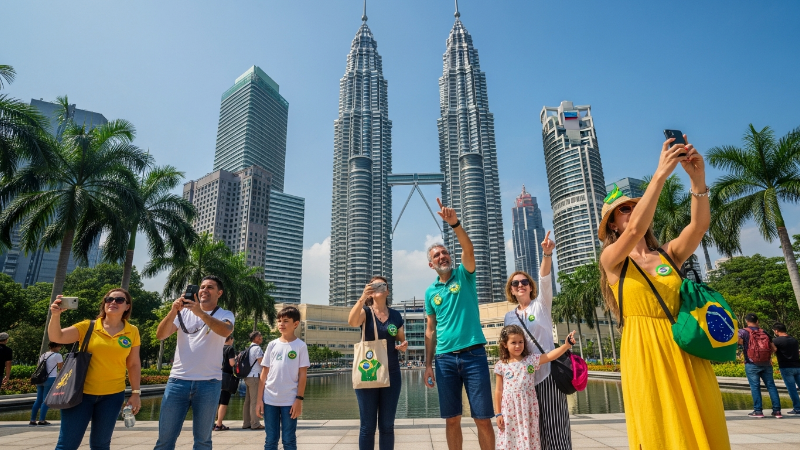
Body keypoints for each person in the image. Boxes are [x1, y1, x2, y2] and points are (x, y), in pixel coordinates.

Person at [597, 135, 732, 449]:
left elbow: (698, 227)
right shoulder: (612, 261)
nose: (632, 212)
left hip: (684, 346)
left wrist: (697, 180)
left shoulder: (668, 255)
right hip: (645, 351)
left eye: (634, 206)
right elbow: (634, 232)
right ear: (613, 225)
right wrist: (659, 174)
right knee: (659, 428)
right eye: (625, 210)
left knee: (702, 424)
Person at [424, 198, 494, 450]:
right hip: (444, 360)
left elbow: (469, 250)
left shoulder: (464, 275)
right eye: (436, 255)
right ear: (430, 264)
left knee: (483, 419)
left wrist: (455, 224)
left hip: (473, 355)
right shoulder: (430, 292)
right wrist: (428, 365)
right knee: (452, 419)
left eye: (444, 252)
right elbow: (430, 329)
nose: (442, 256)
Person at [48, 290, 141, 450]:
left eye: (119, 300)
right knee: (67, 445)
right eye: (109, 299)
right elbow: (58, 337)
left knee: (101, 445)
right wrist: (55, 315)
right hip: (80, 394)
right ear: (104, 303)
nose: (113, 302)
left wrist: (135, 393)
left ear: (127, 306)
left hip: (112, 397)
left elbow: (133, 364)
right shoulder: (88, 327)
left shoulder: (132, 331)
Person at [503, 231, 571, 449]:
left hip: (547, 375)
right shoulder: (509, 316)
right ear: (511, 290)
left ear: (530, 286)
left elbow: (545, 279)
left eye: (524, 282)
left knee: (555, 426)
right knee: (532, 430)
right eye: (515, 284)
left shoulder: (540, 305)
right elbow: (509, 350)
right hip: (524, 382)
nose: (520, 285)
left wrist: (547, 254)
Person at [154, 276, 235, 450]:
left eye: (210, 287)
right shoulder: (182, 313)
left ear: (219, 293)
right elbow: (161, 335)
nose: (204, 290)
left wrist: (200, 313)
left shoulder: (225, 314)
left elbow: (225, 331)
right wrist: (173, 311)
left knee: (203, 440)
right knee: (165, 440)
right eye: (202, 287)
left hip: (209, 383)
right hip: (177, 381)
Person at [347, 276, 409, 450]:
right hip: (369, 371)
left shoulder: (395, 315)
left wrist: (403, 346)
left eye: (382, 285)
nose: (378, 288)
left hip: (392, 372)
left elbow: (401, 339)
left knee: (387, 426)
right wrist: (362, 298)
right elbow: (352, 322)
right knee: (367, 426)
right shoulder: (365, 312)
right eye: (373, 285)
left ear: (387, 291)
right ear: (370, 291)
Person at [494, 325, 576, 450]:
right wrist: (498, 413)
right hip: (509, 410)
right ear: (505, 344)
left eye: (521, 342)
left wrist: (565, 346)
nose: (518, 346)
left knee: (529, 438)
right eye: (513, 342)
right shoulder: (501, 365)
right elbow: (498, 391)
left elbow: (549, 356)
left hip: (528, 409)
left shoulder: (530, 360)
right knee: (510, 439)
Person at [256, 306, 310, 450]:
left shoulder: (300, 346)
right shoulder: (272, 345)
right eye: (279, 321)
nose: (281, 324)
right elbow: (264, 373)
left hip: (290, 401)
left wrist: (299, 400)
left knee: (289, 440)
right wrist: (258, 400)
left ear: (296, 324)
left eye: (286, 321)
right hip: (269, 400)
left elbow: (303, 375)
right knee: (271, 440)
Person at [738, 314, 781, 418]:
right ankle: (777, 411)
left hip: (751, 363)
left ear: (746, 321)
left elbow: (738, 342)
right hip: (766, 364)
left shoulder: (743, 331)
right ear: (757, 321)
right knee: (771, 386)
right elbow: (774, 348)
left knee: (755, 387)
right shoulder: (764, 332)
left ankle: (758, 411)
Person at [29, 341, 64, 425]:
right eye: (59, 346)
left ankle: (32, 420)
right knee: (46, 400)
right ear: (55, 346)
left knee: (38, 400)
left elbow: (39, 366)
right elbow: (61, 367)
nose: (60, 348)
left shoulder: (43, 355)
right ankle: (41, 420)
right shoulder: (57, 355)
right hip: (50, 378)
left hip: (40, 379)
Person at [772, 322, 800, 414]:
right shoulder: (794, 340)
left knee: (792, 389)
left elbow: (772, 350)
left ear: (776, 331)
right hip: (797, 366)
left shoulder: (776, 341)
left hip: (786, 367)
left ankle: (797, 408)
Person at [242, 330, 265, 430]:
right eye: (260, 336)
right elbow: (262, 363)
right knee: (254, 401)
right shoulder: (257, 349)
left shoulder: (248, 348)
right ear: (255, 338)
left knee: (248, 401)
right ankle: (255, 423)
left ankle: (246, 423)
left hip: (247, 377)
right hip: (255, 377)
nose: (261, 338)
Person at [215, 335, 236, 431]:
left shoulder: (217, 347)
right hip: (226, 376)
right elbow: (232, 363)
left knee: (216, 400)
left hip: (216, 374)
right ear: (230, 339)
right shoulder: (230, 348)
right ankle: (219, 424)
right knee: (224, 400)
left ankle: (213, 423)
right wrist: (236, 359)